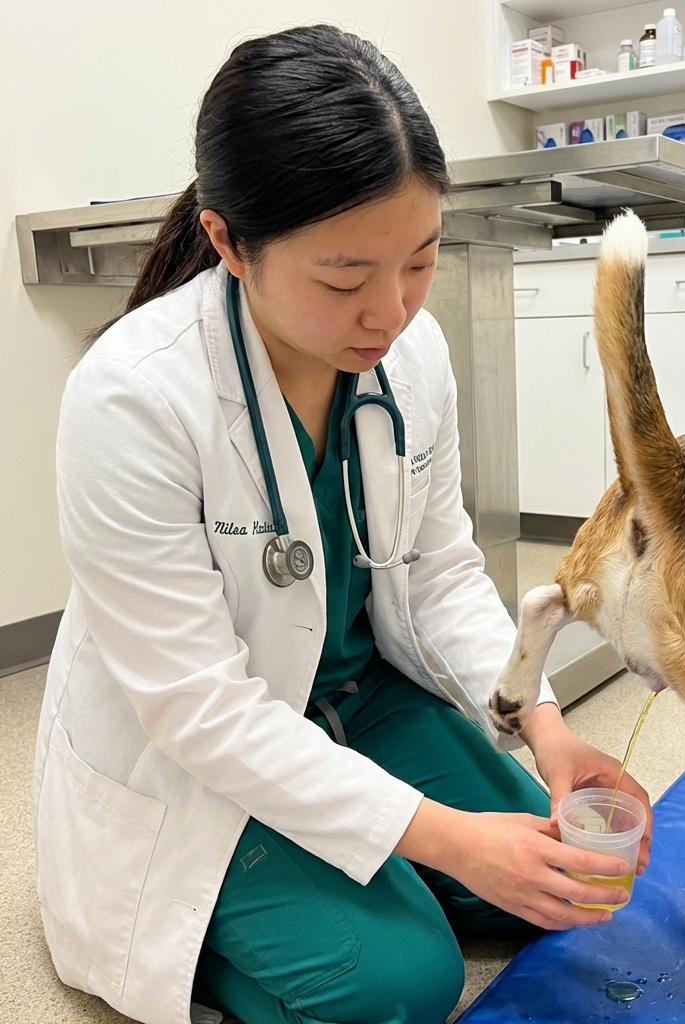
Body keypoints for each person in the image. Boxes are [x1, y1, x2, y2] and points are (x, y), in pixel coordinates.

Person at [34, 24, 653, 1024]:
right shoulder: (132, 400)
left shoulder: (411, 358)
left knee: (555, 872)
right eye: (343, 277)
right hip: (206, 750)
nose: (392, 311)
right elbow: (203, 712)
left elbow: (444, 569)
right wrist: (446, 840)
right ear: (230, 241)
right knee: (401, 980)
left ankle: (385, 859)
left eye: (419, 261)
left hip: (361, 697)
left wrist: (541, 722)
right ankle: (198, 939)